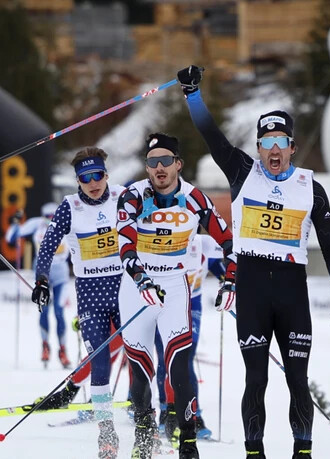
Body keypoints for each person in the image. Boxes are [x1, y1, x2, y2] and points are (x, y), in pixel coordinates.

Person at [178, 65, 330, 459]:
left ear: (292, 146)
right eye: (267, 142)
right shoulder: (243, 172)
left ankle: (303, 453)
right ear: (258, 147)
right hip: (254, 289)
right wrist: (192, 94)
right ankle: (254, 453)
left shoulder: (311, 188)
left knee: (297, 380)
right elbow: (212, 135)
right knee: (256, 379)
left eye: (281, 142)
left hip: (292, 291)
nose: (274, 150)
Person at [116, 132, 237, 459]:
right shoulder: (132, 196)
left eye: (166, 161)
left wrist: (230, 280)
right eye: (153, 162)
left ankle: (188, 442)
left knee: (179, 367)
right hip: (137, 288)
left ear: (178, 164)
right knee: (140, 369)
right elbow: (125, 245)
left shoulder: (195, 198)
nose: (159, 168)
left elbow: (228, 241)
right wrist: (141, 279)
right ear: (147, 167)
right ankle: (144, 436)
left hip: (173, 286)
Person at [30, 147, 127, 459]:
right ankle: (106, 431)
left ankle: (148, 419)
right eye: (85, 178)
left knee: (138, 354)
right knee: (101, 360)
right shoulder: (70, 206)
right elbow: (48, 245)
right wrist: (41, 279)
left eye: (97, 175)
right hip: (90, 292)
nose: (93, 182)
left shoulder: (124, 196)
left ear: (106, 175)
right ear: (78, 181)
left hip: (125, 288)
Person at [162, 232, 225, 445]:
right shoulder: (165, 237)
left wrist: (228, 284)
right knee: (165, 359)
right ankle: (165, 412)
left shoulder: (205, 244)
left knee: (185, 357)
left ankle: (194, 417)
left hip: (192, 305)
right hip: (165, 305)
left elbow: (221, 271)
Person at [7, 202, 72, 369]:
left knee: (59, 312)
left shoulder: (67, 222)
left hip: (61, 273)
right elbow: (11, 238)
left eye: (53, 216)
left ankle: (63, 350)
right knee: (43, 310)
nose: (50, 220)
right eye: (47, 217)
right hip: (43, 272)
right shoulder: (37, 224)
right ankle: (45, 346)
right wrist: (15, 222)